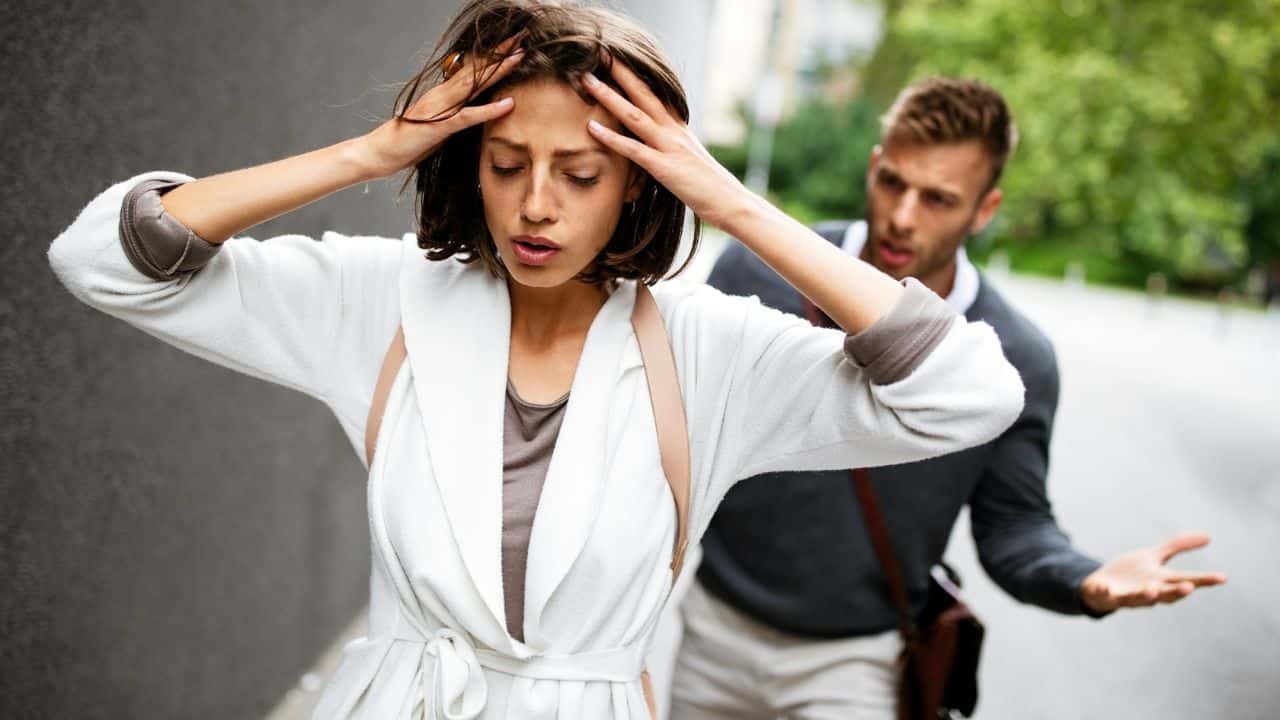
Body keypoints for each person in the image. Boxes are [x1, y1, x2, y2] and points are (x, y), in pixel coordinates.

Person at [45, 2, 1027, 717]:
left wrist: (728, 201)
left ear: (638, 187)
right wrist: (367, 154)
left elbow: (967, 397)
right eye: (507, 164)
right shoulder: (383, 301)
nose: (537, 204)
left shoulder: (707, 352)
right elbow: (102, 260)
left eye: (581, 173)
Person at [669, 76, 1229, 720]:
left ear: (984, 210)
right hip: (713, 626)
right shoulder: (756, 269)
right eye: (893, 184)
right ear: (875, 167)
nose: (904, 216)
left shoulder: (1014, 356)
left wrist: (1084, 582)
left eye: (938, 199)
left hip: (856, 662)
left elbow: (1013, 527)